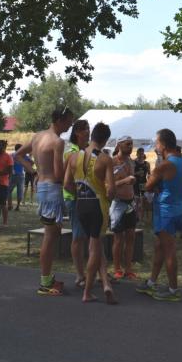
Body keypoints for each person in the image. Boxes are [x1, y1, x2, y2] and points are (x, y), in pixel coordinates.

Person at [16, 107, 74, 296]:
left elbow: (18, 155)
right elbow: (58, 174)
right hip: (52, 190)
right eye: (69, 121)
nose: (70, 125)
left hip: (42, 187)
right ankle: (45, 282)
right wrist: (71, 166)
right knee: (49, 237)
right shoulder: (57, 141)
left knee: (53, 233)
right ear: (60, 120)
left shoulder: (37, 136)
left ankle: (47, 278)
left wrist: (33, 171)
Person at [64, 122, 117, 304]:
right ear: (105, 140)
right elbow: (111, 190)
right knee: (94, 247)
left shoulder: (73, 157)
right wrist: (108, 198)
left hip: (81, 204)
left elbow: (67, 184)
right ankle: (87, 292)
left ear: (92, 135)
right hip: (98, 205)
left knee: (94, 245)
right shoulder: (105, 159)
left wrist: (79, 194)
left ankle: (106, 283)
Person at [137, 128, 182, 302]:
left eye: (157, 143)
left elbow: (147, 185)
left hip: (166, 211)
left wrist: (155, 179)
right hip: (179, 207)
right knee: (159, 246)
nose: (155, 146)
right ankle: (152, 282)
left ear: (164, 145)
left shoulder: (165, 165)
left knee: (169, 250)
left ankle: (174, 290)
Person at [63, 119, 90, 287]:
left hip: (88, 198)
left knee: (90, 236)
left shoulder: (87, 150)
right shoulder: (71, 152)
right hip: (74, 198)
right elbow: (66, 180)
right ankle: (79, 275)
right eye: (85, 129)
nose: (88, 131)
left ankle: (95, 271)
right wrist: (78, 196)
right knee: (78, 236)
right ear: (77, 133)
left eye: (89, 128)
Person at [110, 136, 138, 279]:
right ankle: (117, 268)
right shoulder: (112, 162)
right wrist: (124, 181)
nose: (130, 146)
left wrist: (132, 182)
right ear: (119, 145)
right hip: (118, 202)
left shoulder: (131, 162)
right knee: (118, 238)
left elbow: (131, 181)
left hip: (130, 202)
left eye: (131, 144)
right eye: (127, 144)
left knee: (131, 236)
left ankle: (128, 269)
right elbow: (107, 185)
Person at [133, 147, 151, 221]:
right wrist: (136, 173)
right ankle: (135, 218)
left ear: (144, 154)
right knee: (136, 202)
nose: (141, 155)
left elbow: (149, 174)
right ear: (137, 154)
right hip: (135, 184)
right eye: (139, 154)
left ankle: (141, 219)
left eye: (142, 153)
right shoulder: (133, 163)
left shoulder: (147, 164)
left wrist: (150, 181)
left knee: (143, 201)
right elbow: (129, 174)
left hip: (143, 183)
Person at [8, 144, 25, 211]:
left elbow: (8, 164)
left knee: (9, 190)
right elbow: (31, 162)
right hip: (21, 175)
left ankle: (10, 205)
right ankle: (17, 206)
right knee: (20, 191)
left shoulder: (11, 155)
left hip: (13, 175)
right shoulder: (23, 155)